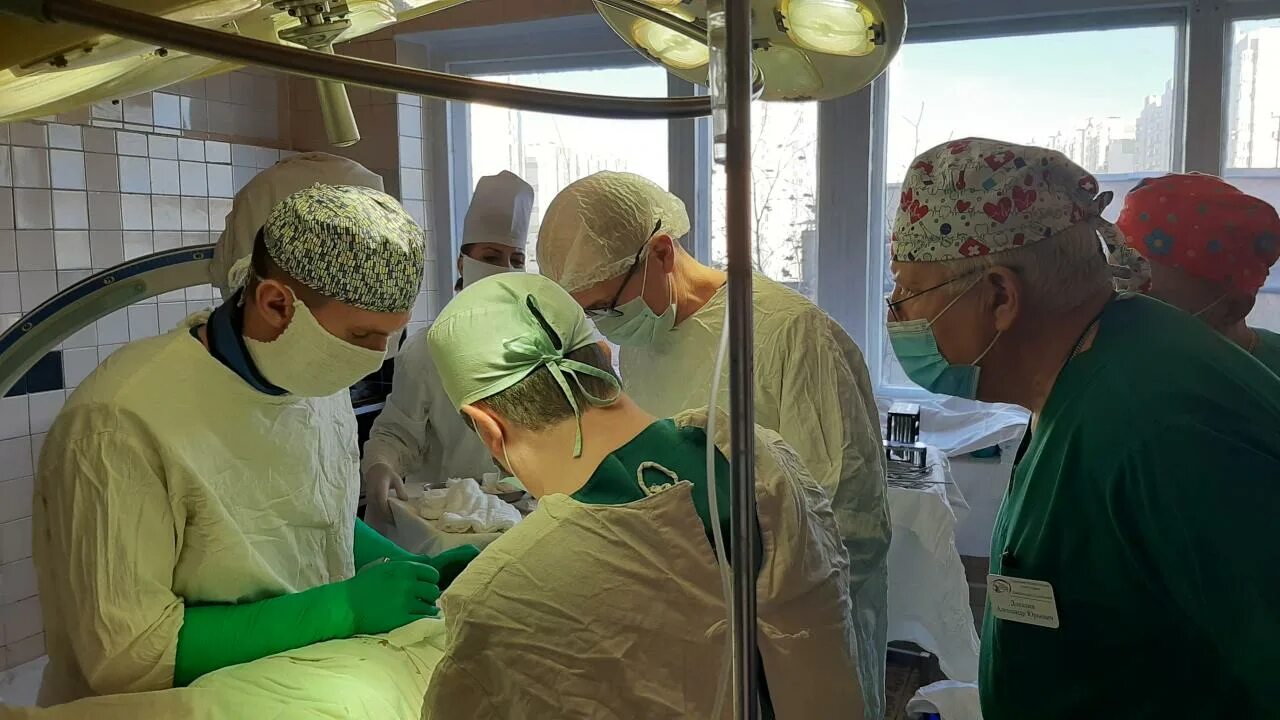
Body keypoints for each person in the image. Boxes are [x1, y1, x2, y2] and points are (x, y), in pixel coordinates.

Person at [32, 184, 475, 706]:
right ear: (276, 303)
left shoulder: (313, 380)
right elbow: (127, 653)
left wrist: (412, 570)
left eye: (391, 336)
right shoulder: (118, 423)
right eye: (360, 336)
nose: (376, 358)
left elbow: (311, 515)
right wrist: (341, 609)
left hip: (299, 685)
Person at [886, 138, 1280, 718]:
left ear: (1000, 296)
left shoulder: (1164, 423)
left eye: (908, 288)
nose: (896, 309)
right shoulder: (1086, 374)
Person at [420, 272, 863, 719]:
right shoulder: (766, 456)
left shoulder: (498, 605)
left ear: (488, 428)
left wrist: (514, 571)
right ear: (604, 355)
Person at [535, 170, 890, 719]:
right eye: (590, 313)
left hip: (794, 634)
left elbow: (849, 520)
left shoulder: (789, 335)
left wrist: (753, 610)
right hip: (692, 630)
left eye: (607, 306)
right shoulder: (646, 343)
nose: (605, 325)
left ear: (660, 252)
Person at [361, 171, 535, 531]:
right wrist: (381, 464)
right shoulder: (427, 350)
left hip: (522, 514)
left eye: (516, 260)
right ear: (462, 263)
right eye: (491, 256)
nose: (504, 269)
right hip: (448, 519)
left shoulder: (536, 345)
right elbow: (397, 435)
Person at [1116, 172, 1280, 373]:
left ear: (1234, 309)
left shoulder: (1266, 381)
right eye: (1118, 286)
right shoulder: (1121, 363)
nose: (1121, 306)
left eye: (1150, 298)